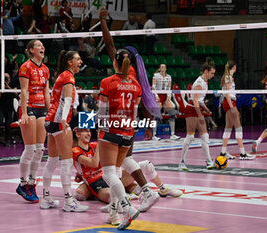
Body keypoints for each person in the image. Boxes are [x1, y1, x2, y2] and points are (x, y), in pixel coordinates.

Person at [99, 7, 161, 218]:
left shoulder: (121, 75)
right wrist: (148, 123)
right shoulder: (135, 76)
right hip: (129, 123)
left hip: (117, 124)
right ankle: (115, 207)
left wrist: (103, 21)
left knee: (121, 163)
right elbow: (143, 100)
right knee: (121, 163)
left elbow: (109, 44)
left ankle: (145, 191)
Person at [72, 128, 183, 207]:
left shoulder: (95, 144)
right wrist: (101, 141)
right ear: (77, 134)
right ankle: (130, 196)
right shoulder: (75, 150)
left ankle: (163, 189)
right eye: (85, 131)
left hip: (109, 176)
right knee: (111, 197)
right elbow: (94, 163)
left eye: (89, 131)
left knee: (146, 165)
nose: (89, 134)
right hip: (96, 183)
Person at [98, 49, 142, 230]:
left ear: (114, 63)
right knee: (116, 173)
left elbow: (102, 111)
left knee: (107, 174)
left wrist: (100, 132)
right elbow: (135, 112)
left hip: (111, 131)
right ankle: (113, 214)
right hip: (128, 132)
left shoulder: (107, 82)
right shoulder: (136, 84)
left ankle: (127, 208)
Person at [42, 50, 89, 212]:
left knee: (52, 160)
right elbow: (67, 100)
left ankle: (46, 198)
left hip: (50, 120)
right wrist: (64, 120)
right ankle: (69, 202)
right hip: (59, 121)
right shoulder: (68, 77)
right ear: (70, 62)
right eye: (78, 59)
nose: (80, 61)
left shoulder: (62, 75)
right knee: (67, 161)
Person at [15, 40, 50, 203]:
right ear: (30, 50)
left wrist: (50, 111)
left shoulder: (45, 69)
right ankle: (22, 183)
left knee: (40, 149)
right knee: (30, 149)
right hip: (28, 106)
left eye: (42, 45)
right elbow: (23, 90)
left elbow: (46, 92)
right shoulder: (26, 67)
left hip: (41, 107)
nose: (42, 47)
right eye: (38, 45)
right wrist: (23, 112)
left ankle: (31, 182)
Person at [178, 58, 216, 171]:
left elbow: (200, 100)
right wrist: (200, 115)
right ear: (206, 71)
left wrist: (206, 109)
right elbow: (194, 101)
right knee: (190, 136)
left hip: (197, 108)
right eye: (212, 73)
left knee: (205, 136)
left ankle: (209, 161)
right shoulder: (199, 83)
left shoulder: (205, 82)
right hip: (191, 109)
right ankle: (182, 162)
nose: (213, 75)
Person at [220, 61, 255, 160]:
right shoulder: (228, 77)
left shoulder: (227, 76)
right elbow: (227, 93)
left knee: (228, 128)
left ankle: (223, 153)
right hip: (230, 102)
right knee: (238, 127)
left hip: (229, 102)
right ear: (234, 67)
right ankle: (242, 153)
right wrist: (232, 107)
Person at [152, 64, 181, 140]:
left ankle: (172, 134)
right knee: (156, 115)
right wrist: (156, 96)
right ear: (159, 69)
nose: (163, 68)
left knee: (172, 113)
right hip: (158, 95)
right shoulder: (156, 75)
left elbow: (169, 87)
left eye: (164, 67)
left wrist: (168, 96)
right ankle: (154, 135)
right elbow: (153, 87)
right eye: (161, 67)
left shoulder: (169, 77)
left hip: (165, 96)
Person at [0, 73, 16, 147]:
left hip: (9, 107)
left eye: (7, 78)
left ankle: (7, 140)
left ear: (9, 79)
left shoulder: (13, 84)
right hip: (0, 107)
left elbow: (15, 93)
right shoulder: (0, 86)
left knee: (8, 124)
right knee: (0, 120)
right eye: (4, 78)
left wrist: (7, 87)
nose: (6, 79)